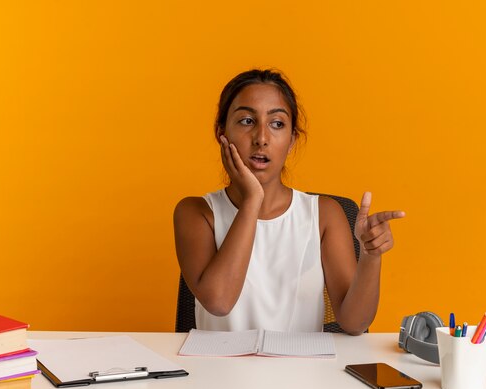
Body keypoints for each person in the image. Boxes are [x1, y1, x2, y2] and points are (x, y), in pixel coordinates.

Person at [173, 69, 404, 335]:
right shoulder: (196, 212)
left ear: (292, 140)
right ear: (221, 132)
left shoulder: (325, 215)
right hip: (221, 372)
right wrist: (252, 200)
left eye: (277, 124)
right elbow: (220, 302)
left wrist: (371, 257)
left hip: (301, 372)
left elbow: (355, 324)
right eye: (247, 121)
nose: (261, 138)